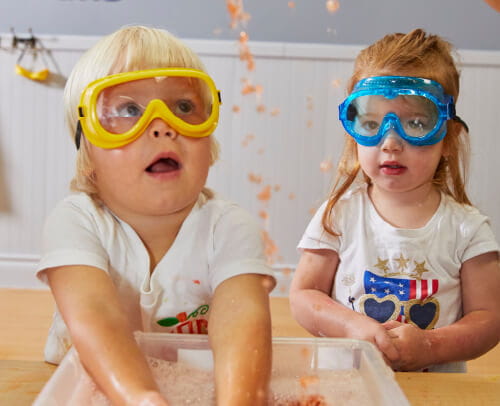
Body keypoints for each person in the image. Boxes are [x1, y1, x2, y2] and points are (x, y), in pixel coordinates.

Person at [36, 25, 276, 405]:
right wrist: (142, 399)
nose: (163, 126)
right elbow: (96, 314)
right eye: (129, 110)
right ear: (87, 157)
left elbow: (243, 323)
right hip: (89, 382)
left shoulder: (228, 225)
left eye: (183, 107)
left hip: (194, 380)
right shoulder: (75, 222)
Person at [289, 29, 500, 372]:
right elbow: (303, 296)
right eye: (372, 123)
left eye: (416, 123)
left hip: (434, 393)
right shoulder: (339, 215)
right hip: (346, 387)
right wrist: (351, 326)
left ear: (447, 137)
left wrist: (431, 346)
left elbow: (489, 320)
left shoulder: (467, 229)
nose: (390, 142)